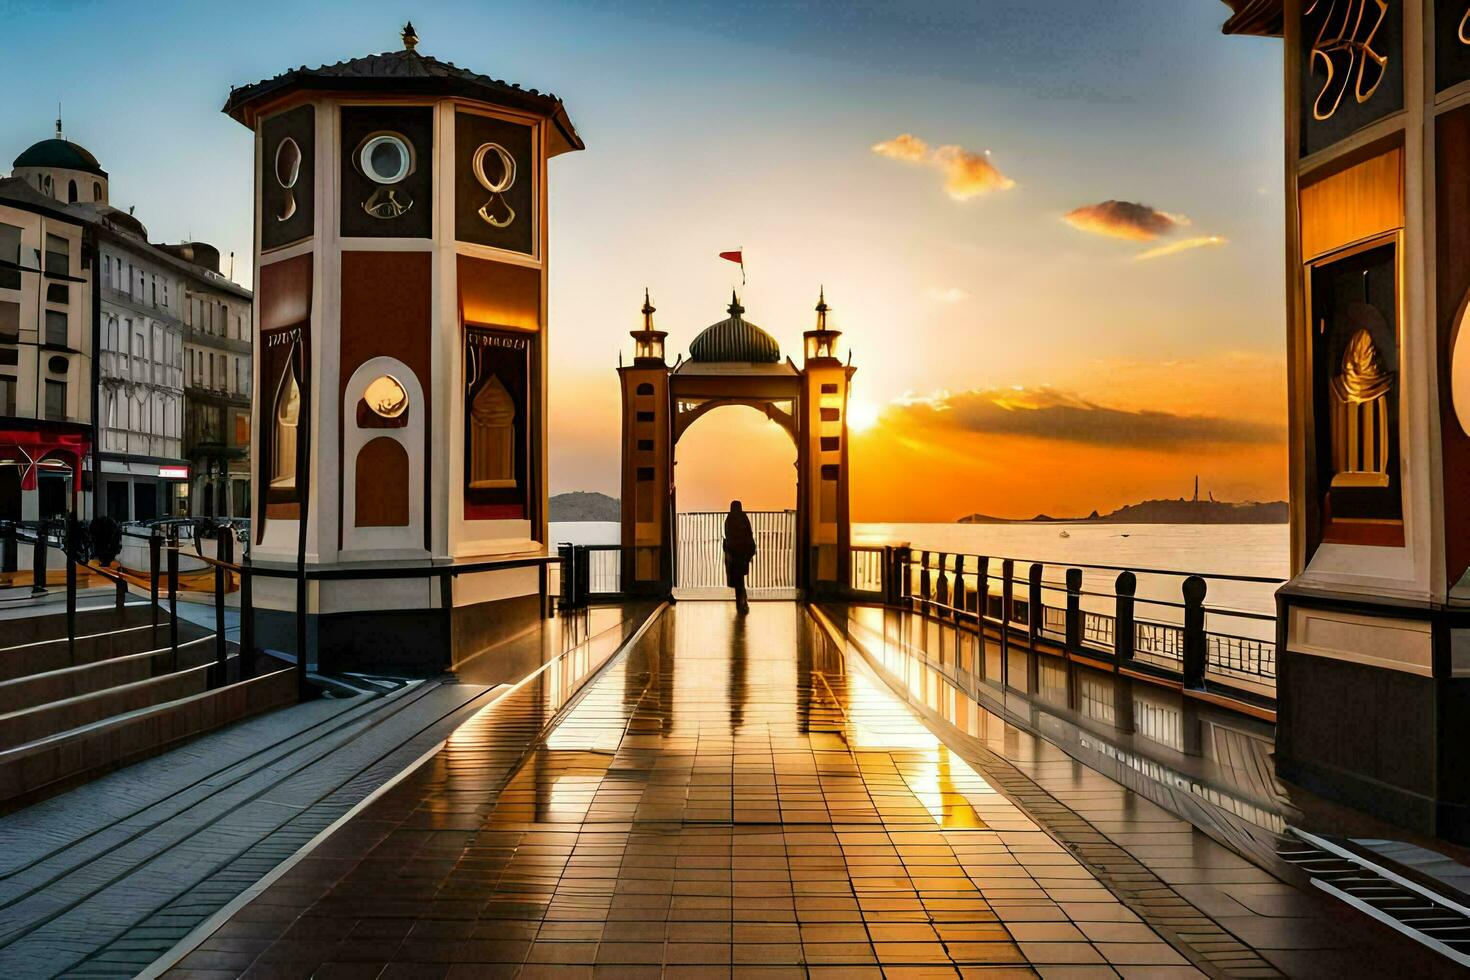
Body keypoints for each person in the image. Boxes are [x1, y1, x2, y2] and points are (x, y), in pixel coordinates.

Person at [723, 500, 757, 614]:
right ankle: (742, 601)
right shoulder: (744, 518)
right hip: (743, 554)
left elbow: (728, 536)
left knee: (738, 580)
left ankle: (740, 602)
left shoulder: (729, 519)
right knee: (741, 579)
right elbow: (749, 533)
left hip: (734, 554)